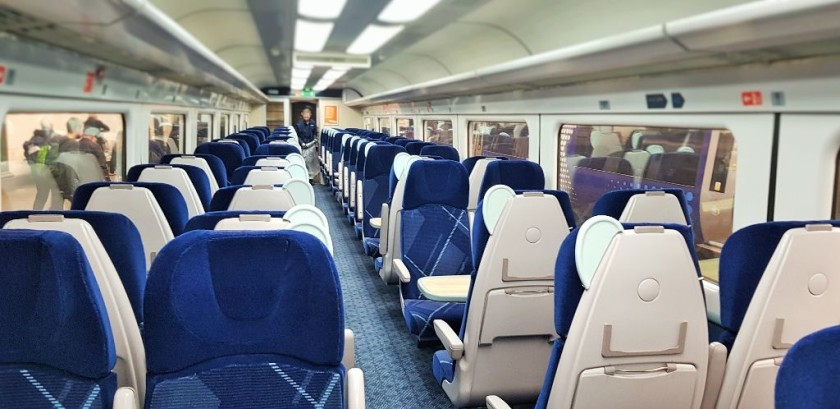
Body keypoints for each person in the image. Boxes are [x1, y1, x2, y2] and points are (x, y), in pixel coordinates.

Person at [23, 129, 63, 210]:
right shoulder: (49, 144)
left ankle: (35, 212)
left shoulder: (31, 143)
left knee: (41, 195)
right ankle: (55, 212)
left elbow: (29, 158)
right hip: (47, 172)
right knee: (56, 193)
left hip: (37, 172)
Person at [294, 107, 320, 183]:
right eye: (305, 113)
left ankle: (310, 179)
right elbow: (297, 135)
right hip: (302, 146)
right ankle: (304, 178)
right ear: (302, 114)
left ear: (310, 114)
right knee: (304, 162)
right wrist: (301, 143)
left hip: (311, 145)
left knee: (311, 162)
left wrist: (315, 140)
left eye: (308, 113)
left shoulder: (313, 123)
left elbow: (315, 133)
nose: (306, 115)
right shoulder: (298, 124)